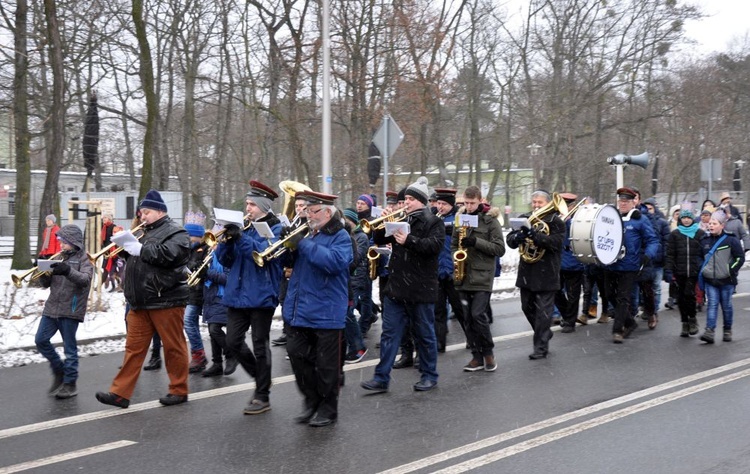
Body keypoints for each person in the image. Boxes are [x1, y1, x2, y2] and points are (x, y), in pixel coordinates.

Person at [96, 190, 191, 408]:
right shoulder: (142, 231)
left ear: (160, 211)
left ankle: (179, 390)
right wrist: (123, 249)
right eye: (141, 213)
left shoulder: (177, 232)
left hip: (165, 299)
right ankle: (120, 393)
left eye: (146, 212)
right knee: (133, 349)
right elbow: (139, 258)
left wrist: (140, 248)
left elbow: (171, 255)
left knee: (173, 347)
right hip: (139, 301)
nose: (142, 216)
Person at [361, 176, 443, 393]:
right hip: (397, 289)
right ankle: (381, 378)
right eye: (405, 199)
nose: (406, 202)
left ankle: (429, 375)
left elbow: (433, 247)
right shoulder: (400, 219)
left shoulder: (433, 222)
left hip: (421, 289)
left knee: (424, 334)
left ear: (422, 201)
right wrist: (383, 224)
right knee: (389, 335)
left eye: (410, 199)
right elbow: (379, 239)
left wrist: (409, 241)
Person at [283, 190, 352, 427]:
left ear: (326, 212)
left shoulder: (340, 235)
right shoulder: (306, 234)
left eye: (311, 211)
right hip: (299, 309)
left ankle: (328, 408)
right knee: (297, 358)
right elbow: (287, 265)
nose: (306, 215)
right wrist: (287, 248)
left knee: (327, 366)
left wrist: (303, 245)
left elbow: (334, 263)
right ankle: (311, 400)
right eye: (305, 211)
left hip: (326, 310)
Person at [216, 180, 284, 415]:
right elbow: (225, 261)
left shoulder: (276, 227)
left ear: (264, 206)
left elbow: (263, 254)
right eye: (247, 204)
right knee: (233, 341)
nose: (248, 209)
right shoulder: (243, 227)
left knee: (260, 345)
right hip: (237, 295)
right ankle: (260, 376)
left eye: (252, 204)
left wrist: (241, 238)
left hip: (261, 295)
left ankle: (262, 394)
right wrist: (225, 242)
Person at [35, 224, 94, 399]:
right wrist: (43, 272)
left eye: (64, 242)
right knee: (40, 340)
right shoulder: (58, 257)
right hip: (52, 307)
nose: (61, 245)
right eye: (60, 241)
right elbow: (46, 285)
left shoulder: (84, 260)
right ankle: (59, 370)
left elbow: (85, 280)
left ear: (74, 242)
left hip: (71, 307)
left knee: (69, 348)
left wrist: (67, 270)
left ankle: (70, 383)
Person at [505, 190, 565, 358]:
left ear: (547, 204)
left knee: (543, 313)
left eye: (540, 202)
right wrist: (517, 237)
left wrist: (534, 234)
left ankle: (540, 348)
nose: (536, 205)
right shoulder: (525, 218)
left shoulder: (556, 222)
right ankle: (544, 333)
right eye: (534, 202)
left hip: (547, 272)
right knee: (527, 307)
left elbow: (555, 244)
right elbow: (510, 240)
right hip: (528, 271)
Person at [453, 186, 505, 371]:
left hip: (483, 275)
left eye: (472, 203)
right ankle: (476, 356)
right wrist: (456, 255)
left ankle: (488, 354)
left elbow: (500, 249)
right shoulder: (461, 219)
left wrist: (476, 242)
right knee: (467, 318)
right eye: (466, 203)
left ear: (480, 200)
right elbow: (453, 245)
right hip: (464, 274)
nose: (468, 206)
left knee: (478, 315)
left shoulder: (490, 221)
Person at [602, 187, 659, 344]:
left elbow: (653, 240)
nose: (623, 204)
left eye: (626, 201)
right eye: (621, 200)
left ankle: (617, 330)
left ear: (633, 202)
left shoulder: (640, 219)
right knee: (609, 295)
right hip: (610, 264)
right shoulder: (611, 217)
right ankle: (630, 322)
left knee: (622, 298)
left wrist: (648, 255)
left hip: (629, 265)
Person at [698, 211, 745, 343]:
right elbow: (699, 257)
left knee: (726, 305)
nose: (711, 226)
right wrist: (703, 268)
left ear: (722, 225)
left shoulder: (731, 240)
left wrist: (729, 270)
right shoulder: (704, 241)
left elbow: (740, 258)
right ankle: (710, 331)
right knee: (712, 304)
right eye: (710, 223)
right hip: (710, 280)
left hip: (727, 281)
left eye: (714, 223)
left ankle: (727, 329)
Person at [433, 188, 467, 352]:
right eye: (438, 203)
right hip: (438, 271)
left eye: (444, 204)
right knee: (438, 311)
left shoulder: (459, 219)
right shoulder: (434, 219)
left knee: (460, 309)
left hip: (454, 270)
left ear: (451, 205)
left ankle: (472, 338)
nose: (440, 206)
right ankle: (440, 343)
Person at [664, 209, 706, 337]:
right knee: (681, 298)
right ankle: (684, 322)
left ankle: (693, 319)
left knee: (689, 294)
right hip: (679, 271)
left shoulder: (700, 234)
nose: (686, 220)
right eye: (684, 218)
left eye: (688, 218)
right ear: (680, 220)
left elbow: (704, 253)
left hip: (694, 271)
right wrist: (669, 270)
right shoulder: (675, 234)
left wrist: (703, 267)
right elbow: (670, 254)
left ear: (693, 219)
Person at [273, 196, 308, 347]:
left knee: (296, 306)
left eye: (302, 206)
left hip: (301, 272)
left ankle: (295, 339)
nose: (299, 209)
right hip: (287, 271)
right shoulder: (294, 224)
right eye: (297, 206)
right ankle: (287, 333)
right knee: (284, 301)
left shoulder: (309, 226)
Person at [200, 252, 238, 377]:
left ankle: (231, 354)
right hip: (210, 298)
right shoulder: (209, 257)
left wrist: (207, 273)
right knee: (212, 333)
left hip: (222, 298)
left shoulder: (226, 257)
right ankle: (217, 364)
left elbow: (228, 279)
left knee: (214, 329)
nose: (212, 245)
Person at [555, 193, 585, 333]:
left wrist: (567, 221)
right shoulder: (555, 217)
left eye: (567, 205)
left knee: (573, 294)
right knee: (555, 290)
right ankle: (567, 314)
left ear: (573, 206)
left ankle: (570, 322)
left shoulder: (579, 219)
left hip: (573, 260)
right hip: (558, 260)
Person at [342, 208, 368, 363]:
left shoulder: (361, 237)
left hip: (356, 279)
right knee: (346, 314)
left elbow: (356, 259)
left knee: (348, 315)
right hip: (349, 280)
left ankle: (358, 347)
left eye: (347, 221)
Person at [184, 218, 209, 373]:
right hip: (187, 291)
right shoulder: (187, 249)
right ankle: (199, 355)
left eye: (189, 235)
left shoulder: (205, 249)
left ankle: (199, 354)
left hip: (198, 291)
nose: (187, 238)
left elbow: (204, 269)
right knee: (190, 323)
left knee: (188, 321)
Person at [354, 193, 376, 336]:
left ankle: (364, 324)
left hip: (368, 260)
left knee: (366, 295)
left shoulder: (373, 220)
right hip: (357, 262)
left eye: (363, 203)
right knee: (355, 296)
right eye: (358, 202)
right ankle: (369, 315)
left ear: (369, 206)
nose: (359, 205)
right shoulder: (354, 219)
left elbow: (376, 239)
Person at [100, 212, 116, 290]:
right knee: (106, 268)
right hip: (106, 251)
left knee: (110, 269)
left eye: (105, 218)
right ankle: (104, 283)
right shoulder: (103, 227)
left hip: (112, 251)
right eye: (103, 218)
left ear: (109, 219)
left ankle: (102, 284)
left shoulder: (113, 227)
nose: (103, 219)